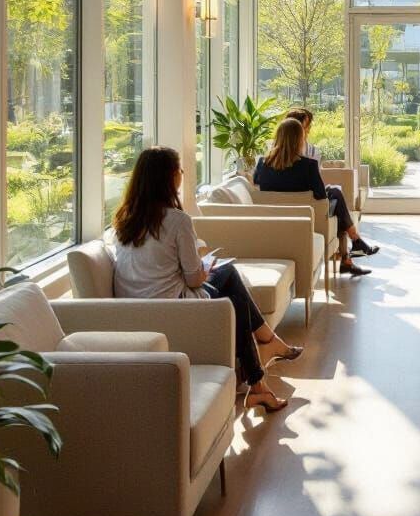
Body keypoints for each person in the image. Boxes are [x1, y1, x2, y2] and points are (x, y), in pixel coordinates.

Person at [112, 146, 301, 412]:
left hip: (134, 309)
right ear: (168, 178)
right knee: (231, 286)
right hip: (174, 308)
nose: (182, 174)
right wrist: (204, 267)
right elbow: (193, 280)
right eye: (179, 170)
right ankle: (263, 360)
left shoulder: (123, 220)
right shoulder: (177, 220)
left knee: (228, 280)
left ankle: (265, 358)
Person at [254, 118, 379, 276]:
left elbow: (259, 188)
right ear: (299, 140)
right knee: (336, 198)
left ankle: (350, 254)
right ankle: (354, 243)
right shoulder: (308, 165)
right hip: (309, 217)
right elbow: (321, 196)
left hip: (276, 218)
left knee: (335, 194)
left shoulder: (262, 164)